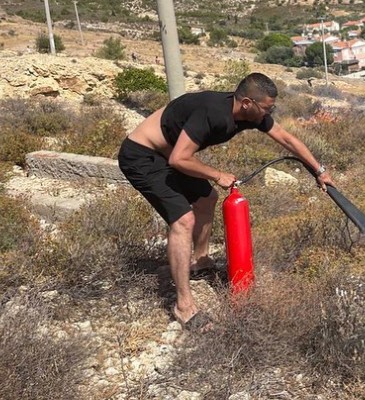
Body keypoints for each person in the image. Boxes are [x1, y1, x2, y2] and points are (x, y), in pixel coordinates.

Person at [118, 73, 334, 331]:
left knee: (207, 198)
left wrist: (319, 170)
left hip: (169, 154)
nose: (269, 112)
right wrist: (217, 174)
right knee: (183, 219)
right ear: (246, 103)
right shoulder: (213, 113)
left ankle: (200, 261)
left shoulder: (249, 116)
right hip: (142, 155)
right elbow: (178, 160)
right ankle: (183, 306)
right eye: (266, 107)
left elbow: (287, 139)